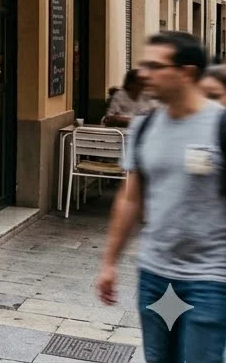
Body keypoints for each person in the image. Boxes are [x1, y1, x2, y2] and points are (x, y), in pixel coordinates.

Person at [96, 31, 226, 361]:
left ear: (187, 73)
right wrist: (110, 262)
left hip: (209, 280)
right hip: (156, 277)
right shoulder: (145, 127)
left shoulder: (220, 126)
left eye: (155, 66)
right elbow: (130, 199)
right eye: (144, 65)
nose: (144, 73)